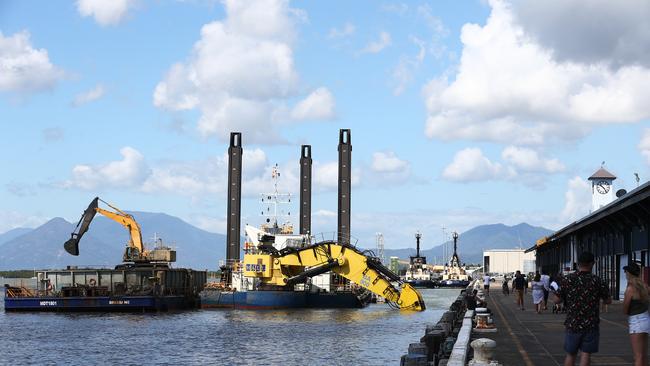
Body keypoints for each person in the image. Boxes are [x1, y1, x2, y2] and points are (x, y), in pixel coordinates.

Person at [552, 252, 611, 366]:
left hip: (573, 323)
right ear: (592, 264)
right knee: (586, 354)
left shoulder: (568, 279)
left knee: (571, 354)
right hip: (591, 324)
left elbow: (556, 300)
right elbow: (608, 300)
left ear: (578, 263)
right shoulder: (597, 281)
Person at [623, 261, 649, 366]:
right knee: (644, 355)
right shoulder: (644, 287)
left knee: (637, 356)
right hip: (646, 319)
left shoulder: (630, 289)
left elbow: (625, 309)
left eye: (625, 272)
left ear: (629, 273)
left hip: (636, 321)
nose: (624, 274)